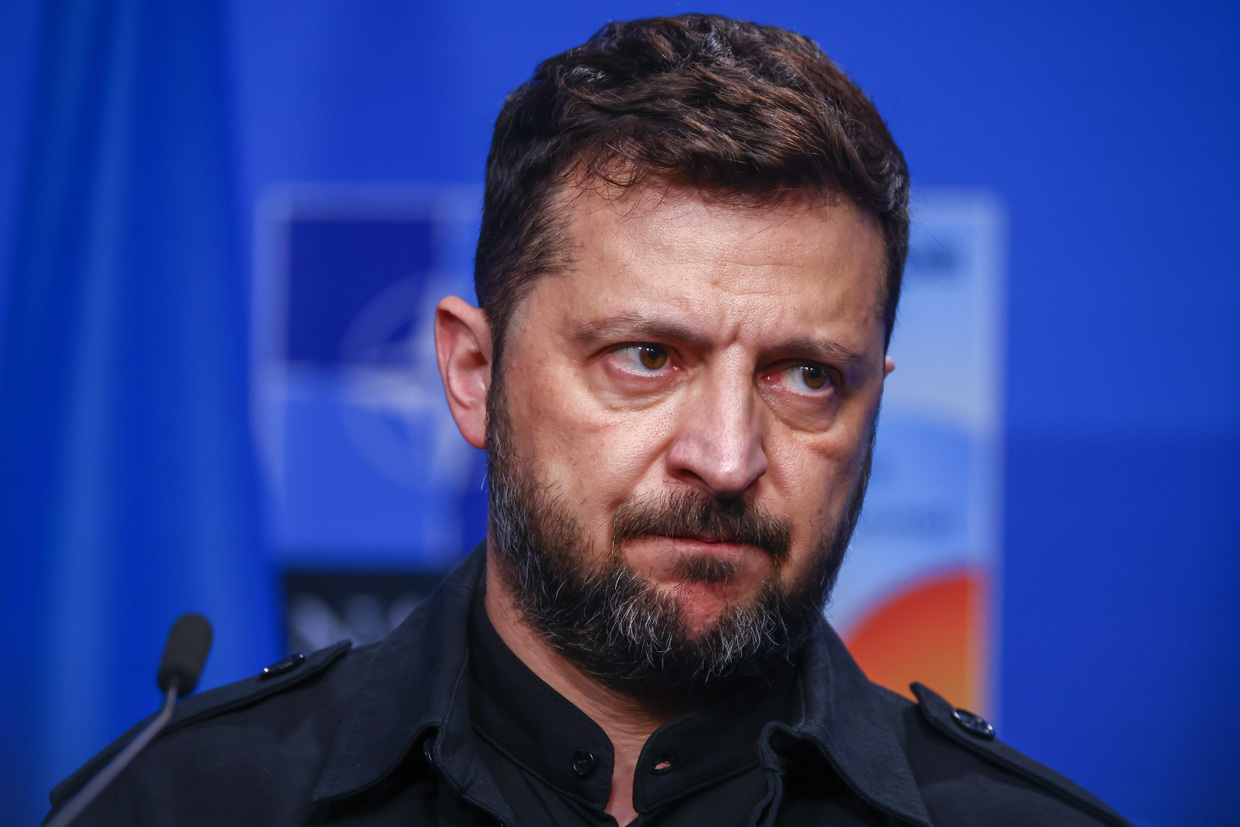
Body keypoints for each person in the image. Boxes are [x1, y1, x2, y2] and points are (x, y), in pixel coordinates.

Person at [47, 14, 1132, 827]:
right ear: (473, 373)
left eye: (805, 375)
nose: (727, 457)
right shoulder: (174, 801)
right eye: (646, 357)